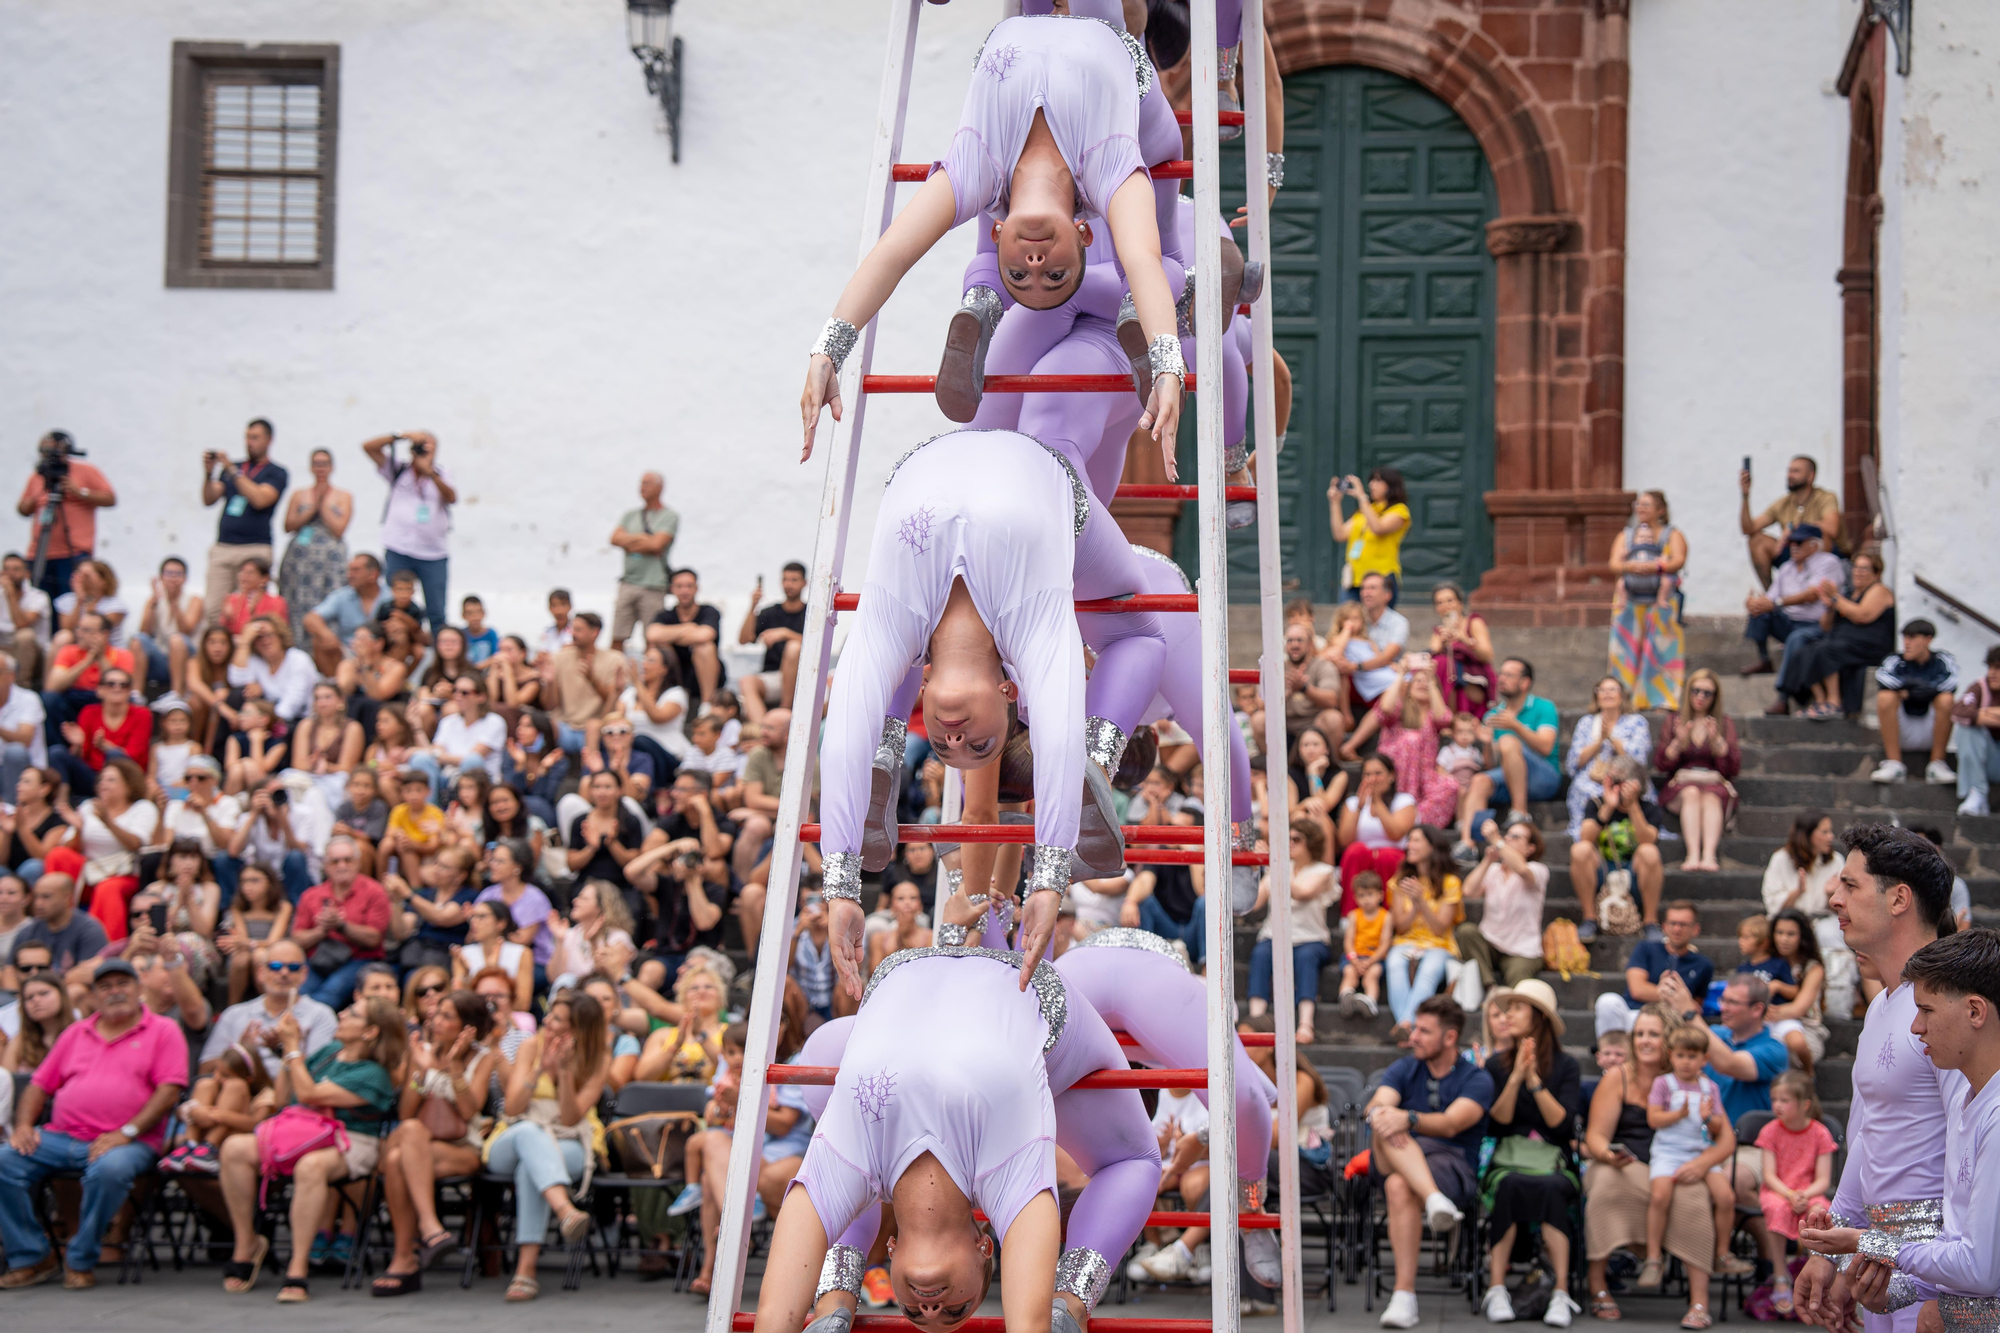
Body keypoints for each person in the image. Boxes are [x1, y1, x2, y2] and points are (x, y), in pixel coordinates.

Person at [816, 429, 1167, 995]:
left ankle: (889, 744)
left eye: (943, 745)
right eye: (978, 746)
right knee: (1141, 634)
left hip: (927, 478)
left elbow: (838, 740)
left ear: (923, 687)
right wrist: (1049, 883)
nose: (954, 742)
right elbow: (1055, 738)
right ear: (1011, 692)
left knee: (874, 670)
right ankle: (1097, 762)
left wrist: (841, 889)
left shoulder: (897, 621)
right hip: (1019, 481)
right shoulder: (1030, 627)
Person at [796, 9, 1187, 458]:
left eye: (1018, 276)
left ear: (998, 234)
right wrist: (1166, 366)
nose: (1036, 266)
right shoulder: (1109, 169)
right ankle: (1154, 296)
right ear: (1084, 233)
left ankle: (984, 296)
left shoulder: (974, 172)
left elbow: (892, 254)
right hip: (1129, 76)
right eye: (1056, 275)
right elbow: (1141, 258)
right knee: (1161, 259)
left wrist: (827, 352)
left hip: (1029, 19)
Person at [761, 942, 1159, 1333]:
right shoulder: (1007, 1179)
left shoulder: (852, 1165)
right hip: (1024, 987)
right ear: (985, 1247)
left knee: (821, 1093)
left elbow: (774, 1316)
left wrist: (831, 1308)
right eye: (957, 1310)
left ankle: (835, 1301)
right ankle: (1070, 1304)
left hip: (901, 976)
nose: (931, 1311)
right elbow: (1028, 1325)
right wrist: (1062, 1305)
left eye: (912, 1313)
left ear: (892, 1250)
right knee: (1135, 1158)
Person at [1793, 823, 1960, 1333]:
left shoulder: (1953, 1005)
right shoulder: (1884, 1006)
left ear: (1899, 900)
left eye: (1850, 885)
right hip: (1881, 1266)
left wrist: (1949, 1296)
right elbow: (1867, 1138)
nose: (1833, 896)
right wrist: (1836, 1257)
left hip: (1939, 1270)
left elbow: (1976, 1151)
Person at [1800, 928, 2000, 1329]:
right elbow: (1960, 1250)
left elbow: (1980, 1270)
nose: (1915, 1028)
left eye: (1927, 1011)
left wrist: (1866, 1242)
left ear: (1975, 1011)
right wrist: (1893, 1291)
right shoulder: (1970, 1104)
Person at [0, 958, 185, 1291]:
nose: (115, 992)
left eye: (122, 984)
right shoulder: (76, 1032)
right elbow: (40, 1085)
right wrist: (24, 1126)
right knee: (4, 1160)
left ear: (138, 988)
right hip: (61, 1136)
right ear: (94, 996)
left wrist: (125, 1133)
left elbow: (169, 1091)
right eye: (105, 986)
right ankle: (31, 1255)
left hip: (131, 1141)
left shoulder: (163, 1030)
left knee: (111, 1169)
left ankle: (80, 1256)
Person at [217, 996, 402, 1301]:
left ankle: (298, 1267)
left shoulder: (374, 1073)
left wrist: (292, 1050)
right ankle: (246, 1243)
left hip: (352, 1140)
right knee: (234, 1147)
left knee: (311, 1166)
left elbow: (310, 1093)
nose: (342, 1014)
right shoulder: (330, 1053)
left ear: (370, 1032)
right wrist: (290, 1053)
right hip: (303, 1132)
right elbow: (284, 1099)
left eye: (353, 1013)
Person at [1581, 1004, 1723, 1325]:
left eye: (1654, 1034)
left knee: (1694, 1199)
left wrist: (1702, 1164)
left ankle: (1699, 1303)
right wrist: (1608, 1154)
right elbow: (1596, 1136)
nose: (1645, 1041)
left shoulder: (1691, 1077)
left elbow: (1724, 1137)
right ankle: (1598, 1285)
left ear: (1670, 1040)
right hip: (1624, 1163)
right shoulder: (1618, 1077)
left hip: (1676, 1162)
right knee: (1604, 1185)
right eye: (1640, 1034)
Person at [1365, 995, 1494, 1329]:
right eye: (1415, 1028)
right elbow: (1378, 1105)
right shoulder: (1405, 1067)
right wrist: (1388, 1115)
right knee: (1382, 1120)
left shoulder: (1476, 1079)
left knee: (1398, 1184)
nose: (1413, 1036)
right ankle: (1433, 1199)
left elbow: (1452, 1123)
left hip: (1452, 1165)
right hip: (1395, 1155)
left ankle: (1404, 1295)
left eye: (1424, 1030)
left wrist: (1406, 1118)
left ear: (1449, 1038)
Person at [368, 989, 499, 1296]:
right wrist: (420, 1068)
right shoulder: (422, 1049)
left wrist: (452, 1067)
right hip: (418, 1142)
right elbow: (406, 1111)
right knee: (409, 1135)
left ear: (468, 1027)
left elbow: (469, 1111)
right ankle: (430, 1228)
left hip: (463, 1146)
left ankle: (405, 1260)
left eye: (446, 1016)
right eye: (437, 1014)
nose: (436, 1020)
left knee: (396, 1157)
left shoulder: (483, 1057)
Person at [481, 992, 609, 1303]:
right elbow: (511, 1109)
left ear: (577, 1029)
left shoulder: (598, 1057)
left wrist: (563, 1072)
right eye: (549, 1016)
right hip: (513, 1136)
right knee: (528, 1132)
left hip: (570, 1139)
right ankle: (565, 1210)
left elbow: (570, 1116)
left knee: (531, 1167)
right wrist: (539, 1070)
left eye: (557, 1020)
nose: (547, 1023)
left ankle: (526, 1270)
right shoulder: (530, 1045)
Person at [1477, 980, 1584, 1328]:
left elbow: (1562, 1125)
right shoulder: (1496, 1065)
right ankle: (1496, 1288)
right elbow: (1498, 1122)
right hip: (1508, 1160)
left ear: (1538, 1017)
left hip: (1551, 1161)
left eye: (1518, 1008)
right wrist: (1515, 1077)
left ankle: (1561, 1292)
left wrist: (1535, 1080)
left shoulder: (1567, 1066)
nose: (1508, 1015)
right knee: (1508, 1185)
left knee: (1553, 1189)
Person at [1636, 1024, 1743, 1297]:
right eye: (1681, 1055)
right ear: (1671, 1056)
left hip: (1699, 1152)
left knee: (1726, 1197)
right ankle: (1652, 1258)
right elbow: (1654, 1118)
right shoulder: (1664, 1084)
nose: (1686, 1062)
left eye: (1692, 1056)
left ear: (1704, 1060)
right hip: (1668, 1152)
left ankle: (1722, 1253)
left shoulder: (1710, 1087)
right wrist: (1679, 1114)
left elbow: (1718, 1127)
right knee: (1660, 1196)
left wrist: (1709, 1118)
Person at [1247, 817, 1338, 1045]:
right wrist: (1256, 868)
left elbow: (1302, 893)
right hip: (1274, 936)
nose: (1290, 843)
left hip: (1311, 939)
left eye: (1296, 839)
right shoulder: (1279, 866)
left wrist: (1273, 864)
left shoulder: (1324, 871)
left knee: (1306, 958)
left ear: (1311, 843)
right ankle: (1257, 1021)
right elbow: (1255, 903)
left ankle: (1306, 1023)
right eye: (1287, 839)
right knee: (1260, 954)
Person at [1754, 1070, 1837, 1316]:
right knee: (1777, 1209)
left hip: (1809, 1190)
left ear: (1804, 1105)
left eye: (1785, 1100)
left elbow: (1823, 1180)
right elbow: (1769, 1176)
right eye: (1774, 1099)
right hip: (1779, 1191)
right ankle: (1780, 1273)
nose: (1777, 1105)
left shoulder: (1820, 1133)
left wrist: (1804, 1194)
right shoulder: (1770, 1131)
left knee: (1820, 1211)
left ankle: (1817, 1274)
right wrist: (1790, 1194)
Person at [1455, 658, 1561, 847]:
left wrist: (1516, 727)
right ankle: (1468, 844)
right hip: (1508, 777)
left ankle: (1519, 813)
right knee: (1479, 780)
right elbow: (1490, 766)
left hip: (1543, 777)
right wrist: (1487, 744)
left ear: (1525, 682)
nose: (1501, 679)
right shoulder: (1492, 716)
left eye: (1508, 675)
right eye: (1501, 674)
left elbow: (1546, 747)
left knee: (1508, 741)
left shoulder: (1544, 707)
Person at [1342, 656, 1458, 827]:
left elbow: (1445, 718)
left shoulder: (1433, 714)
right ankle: (1402, 805)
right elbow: (1384, 709)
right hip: (1395, 769)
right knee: (1411, 740)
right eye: (1417, 680)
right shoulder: (1399, 707)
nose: (1422, 684)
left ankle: (1413, 822)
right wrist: (1401, 674)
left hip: (1425, 773)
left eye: (1426, 681)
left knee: (1450, 785)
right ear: (1408, 687)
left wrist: (1432, 678)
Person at [1782, 548, 1897, 720]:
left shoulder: (1879, 590)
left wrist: (1835, 597)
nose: (1858, 573)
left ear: (1877, 573)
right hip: (1845, 643)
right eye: (1856, 568)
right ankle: (1821, 701)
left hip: (1869, 646)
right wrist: (1829, 606)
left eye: (1864, 569)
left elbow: (1862, 615)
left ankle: (1834, 702)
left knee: (1827, 650)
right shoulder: (1849, 594)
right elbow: (1826, 627)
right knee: (1806, 651)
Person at [360, 432, 454, 634]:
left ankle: (439, 660)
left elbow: (451, 496)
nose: (424, 450)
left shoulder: (442, 473)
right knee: (391, 607)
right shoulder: (398, 469)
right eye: (421, 446)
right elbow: (368, 447)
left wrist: (429, 472)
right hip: (399, 549)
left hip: (433, 553)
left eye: (429, 446)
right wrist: (399, 436)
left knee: (436, 612)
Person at [200, 419, 288, 630]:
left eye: (255, 437)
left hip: (254, 548)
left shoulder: (276, 472)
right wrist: (208, 473)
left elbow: (260, 499)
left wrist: (232, 470)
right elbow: (209, 498)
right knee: (214, 609)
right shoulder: (235, 469)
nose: (250, 442)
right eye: (247, 437)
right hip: (224, 547)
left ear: (269, 440)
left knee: (252, 610)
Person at [1607, 489, 1687, 710]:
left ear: (1660, 510)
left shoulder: (1672, 534)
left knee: (1662, 649)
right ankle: (1624, 699)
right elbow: (1613, 563)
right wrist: (1630, 566)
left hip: (1661, 601)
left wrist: (1656, 566)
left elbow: (1679, 559)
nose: (1641, 509)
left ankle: (1662, 700)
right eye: (1638, 505)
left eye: (1646, 505)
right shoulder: (1626, 534)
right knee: (1625, 650)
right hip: (1630, 599)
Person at [1569, 756, 1664, 940]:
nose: (1613, 785)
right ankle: (1590, 919)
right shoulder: (1596, 804)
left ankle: (1650, 922)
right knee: (1580, 850)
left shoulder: (1649, 809)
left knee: (1649, 852)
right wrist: (1608, 807)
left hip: (1634, 873)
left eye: (1618, 780)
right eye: (1610, 779)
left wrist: (1632, 805)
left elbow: (1648, 840)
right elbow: (1585, 837)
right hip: (1603, 872)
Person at [1381, 826, 1463, 1040]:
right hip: (1406, 941)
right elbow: (1400, 927)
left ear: (1432, 845)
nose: (1409, 846)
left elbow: (1439, 929)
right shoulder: (1400, 880)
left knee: (1430, 970)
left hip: (1439, 944)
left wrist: (1421, 901)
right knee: (1394, 963)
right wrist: (1415, 907)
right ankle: (1410, 1026)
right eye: (1409, 840)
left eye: (1416, 841)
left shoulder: (1450, 882)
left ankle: (1406, 1024)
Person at [291, 835, 391, 1008]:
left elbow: (374, 938)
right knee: (298, 994)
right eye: (335, 861)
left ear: (358, 862)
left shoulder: (375, 892)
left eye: (347, 860)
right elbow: (297, 939)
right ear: (326, 865)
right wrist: (321, 930)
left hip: (359, 959)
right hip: (318, 959)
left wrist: (341, 925)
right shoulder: (311, 895)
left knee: (329, 994)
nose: (342, 866)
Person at [1656, 668, 1740, 873]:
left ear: (1715, 696)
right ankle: (1692, 854)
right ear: (1688, 692)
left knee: (1711, 797)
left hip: (1713, 784)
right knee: (1692, 793)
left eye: (1707, 693)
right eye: (1696, 691)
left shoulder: (1723, 723)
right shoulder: (1675, 720)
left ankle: (1709, 855)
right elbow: (1661, 764)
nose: (1700, 697)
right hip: (1682, 785)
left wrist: (1718, 745)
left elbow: (1732, 769)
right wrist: (1678, 743)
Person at [1455, 813, 1548, 988]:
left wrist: (1497, 840)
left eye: (1515, 837)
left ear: (1530, 849)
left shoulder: (1538, 870)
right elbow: (1468, 891)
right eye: (1508, 835)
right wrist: (1487, 861)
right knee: (1466, 932)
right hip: (1491, 941)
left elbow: (1521, 869)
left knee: (1519, 983)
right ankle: (1489, 986)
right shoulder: (1494, 870)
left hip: (1523, 949)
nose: (1507, 840)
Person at [1596, 900, 1712, 1039]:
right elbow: (1637, 989)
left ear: (1695, 929)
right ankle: (1611, 1054)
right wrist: (1676, 997)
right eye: (1672, 923)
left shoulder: (1704, 965)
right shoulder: (1646, 948)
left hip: (1670, 1022)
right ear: (1664, 926)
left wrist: (1682, 1004)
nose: (1677, 929)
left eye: (1683, 925)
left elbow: (1695, 1007)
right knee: (1607, 1001)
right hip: (1634, 1014)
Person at [1871, 619, 1959, 784]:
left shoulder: (1942, 660)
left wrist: (1909, 690)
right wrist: (1922, 687)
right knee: (1886, 697)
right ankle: (1894, 763)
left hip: (1930, 727)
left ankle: (1937, 764)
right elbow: (1883, 678)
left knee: (1946, 699)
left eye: (1912, 638)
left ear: (1928, 639)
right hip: (1902, 727)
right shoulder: (1894, 660)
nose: (1906, 643)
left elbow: (1952, 682)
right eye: (1905, 638)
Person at [1740, 454, 1845, 591]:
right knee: (1756, 541)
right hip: (1792, 554)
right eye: (1789, 471)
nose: (1789, 475)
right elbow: (1748, 529)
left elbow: (1832, 528)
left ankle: (1814, 594)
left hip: (1823, 558)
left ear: (1810, 476)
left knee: (1820, 537)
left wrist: (1792, 529)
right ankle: (1771, 595)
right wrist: (1745, 495)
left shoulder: (1825, 497)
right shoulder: (1784, 502)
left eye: (1796, 471)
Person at [1337, 753, 1417, 914]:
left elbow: (1396, 834)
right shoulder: (1352, 803)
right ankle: (1349, 915)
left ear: (1391, 776)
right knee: (1355, 851)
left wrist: (1376, 801)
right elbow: (1345, 841)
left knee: (1386, 856)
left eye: (1378, 773)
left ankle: (1390, 915)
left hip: (1392, 856)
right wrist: (1359, 808)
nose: (1373, 779)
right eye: (1368, 774)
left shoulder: (1404, 801)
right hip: (1361, 857)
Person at [608, 471, 677, 650]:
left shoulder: (669, 516)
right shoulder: (630, 515)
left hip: (653, 586)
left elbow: (656, 545)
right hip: (628, 583)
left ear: (659, 488)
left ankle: (651, 675)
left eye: (647, 483)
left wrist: (629, 541)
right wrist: (644, 539)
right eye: (641, 483)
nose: (642, 487)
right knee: (617, 635)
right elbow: (615, 539)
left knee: (652, 639)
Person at [737, 561, 807, 726]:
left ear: (805, 583)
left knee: (793, 647)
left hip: (803, 677)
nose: (788, 584)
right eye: (785, 579)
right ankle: (764, 730)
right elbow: (744, 639)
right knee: (746, 681)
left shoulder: (812, 612)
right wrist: (753, 606)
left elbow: (821, 644)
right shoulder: (770, 612)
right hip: (774, 677)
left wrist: (786, 633)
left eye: (794, 580)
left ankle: (784, 711)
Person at [1329, 468, 1410, 605]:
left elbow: (1378, 528)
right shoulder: (1364, 511)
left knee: (1379, 623)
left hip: (1381, 578)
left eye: (1378, 480)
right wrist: (1335, 502)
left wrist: (1361, 496)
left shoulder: (1399, 510)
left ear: (1391, 485)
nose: (1372, 485)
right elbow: (1340, 534)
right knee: (1349, 619)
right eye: (1371, 480)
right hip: (1355, 579)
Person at [644, 568, 724, 707]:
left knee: (705, 647)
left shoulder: (709, 611)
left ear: (697, 588)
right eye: (679, 586)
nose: (684, 591)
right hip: (674, 674)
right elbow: (652, 634)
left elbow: (705, 635)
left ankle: (706, 706)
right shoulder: (665, 615)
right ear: (672, 589)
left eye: (689, 586)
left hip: (704, 676)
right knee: (657, 646)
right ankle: (654, 698)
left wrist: (670, 635)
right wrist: (687, 628)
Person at [548, 611, 624, 755]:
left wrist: (592, 680)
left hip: (595, 729)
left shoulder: (614, 660)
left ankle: (589, 775)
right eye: (572, 629)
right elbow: (550, 705)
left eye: (578, 629)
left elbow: (612, 702)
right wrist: (549, 683)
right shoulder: (558, 658)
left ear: (594, 632)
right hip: (563, 726)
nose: (573, 634)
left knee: (593, 726)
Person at [1331, 572, 1409, 711]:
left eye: (1372, 588)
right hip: (1355, 678)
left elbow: (1386, 657)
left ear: (1387, 595)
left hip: (1380, 673)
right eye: (1363, 588)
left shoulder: (1399, 622)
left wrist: (1355, 666)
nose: (1366, 593)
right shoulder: (1356, 620)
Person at [1765, 908, 1831, 1070]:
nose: (1783, 939)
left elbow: (1798, 1008)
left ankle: (1808, 1077)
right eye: (1779, 933)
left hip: (1806, 1028)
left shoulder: (1813, 969)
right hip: (1769, 1023)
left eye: (1790, 934)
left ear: (1802, 937)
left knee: (1783, 1050)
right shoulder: (1768, 963)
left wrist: (1760, 1012)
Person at [302, 552, 384, 674]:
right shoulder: (342, 596)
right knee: (319, 639)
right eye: (349, 570)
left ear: (373, 574)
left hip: (381, 651)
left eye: (356, 570)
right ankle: (334, 686)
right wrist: (327, 635)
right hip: (348, 652)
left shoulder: (391, 597)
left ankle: (393, 683)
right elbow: (310, 618)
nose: (350, 575)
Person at [133, 556, 204, 696]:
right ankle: (136, 694)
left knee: (177, 639)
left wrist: (174, 603)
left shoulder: (195, 600)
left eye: (178, 574)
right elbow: (144, 632)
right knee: (137, 639)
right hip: (162, 658)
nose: (173, 578)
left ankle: (176, 694)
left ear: (185, 578)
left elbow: (186, 631)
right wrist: (153, 603)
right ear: (161, 577)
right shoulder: (153, 600)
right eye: (169, 574)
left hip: (188, 658)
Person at [1428, 582, 1496, 716]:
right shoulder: (1439, 632)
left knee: (1443, 663)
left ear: (1460, 603)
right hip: (1448, 680)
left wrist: (1464, 639)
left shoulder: (1474, 622)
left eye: (1449, 600)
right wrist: (1442, 642)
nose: (1445, 606)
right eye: (1440, 603)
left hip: (1472, 679)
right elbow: (1431, 654)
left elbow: (1488, 655)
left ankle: (1448, 715)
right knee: (1440, 663)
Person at [1951, 644, 2000, 817]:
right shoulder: (1980, 687)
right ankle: (1977, 793)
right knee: (1967, 730)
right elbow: (1958, 712)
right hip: (1990, 761)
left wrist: (1983, 713)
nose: (1993, 673)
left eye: (1998, 668)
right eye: (1990, 667)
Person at [1281, 618, 1344, 746]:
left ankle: (1329, 764)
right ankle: (1268, 765)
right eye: (1290, 640)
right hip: (1283, 727)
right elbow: (1260, 704)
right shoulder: (1276, 669)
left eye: (1299, 640)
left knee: (1333, 718)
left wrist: (1304, 688)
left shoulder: (1324, 666)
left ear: (1310, 644)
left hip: (1314, 726)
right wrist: (1288, 691)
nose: (1294, 645)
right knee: (1260, 719)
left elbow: (1331, 700)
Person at [1337, 869, 1391, 1017]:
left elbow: (1385, 944)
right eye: (1361, 896)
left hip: (1375, 958)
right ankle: (1345, 997)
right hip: (1355, 956)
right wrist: (1354, 960)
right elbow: (1348, 942)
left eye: (1370, 894)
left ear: (1380, 895)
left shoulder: (1386, 917)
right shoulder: (1353, 916)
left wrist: (1370, 961)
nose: (1366, 899)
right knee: (1349, 972)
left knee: (1372, 975)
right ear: (1355, 898)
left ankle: (1370, 1001)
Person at [0, 553, 52, 689]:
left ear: (26, 574)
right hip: (3, 649)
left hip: (33, 654)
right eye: (6, 569)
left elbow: (21, 624)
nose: (9, 574)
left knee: (24, 636)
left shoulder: (39, 597)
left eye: (16, 569)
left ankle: (20, 688)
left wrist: (10, 594)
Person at [0, 650, 46, 801]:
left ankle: (13, 811)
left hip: (27, 772)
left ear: (11, 675)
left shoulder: (28, 699)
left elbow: (24, 740)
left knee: (15, 752)